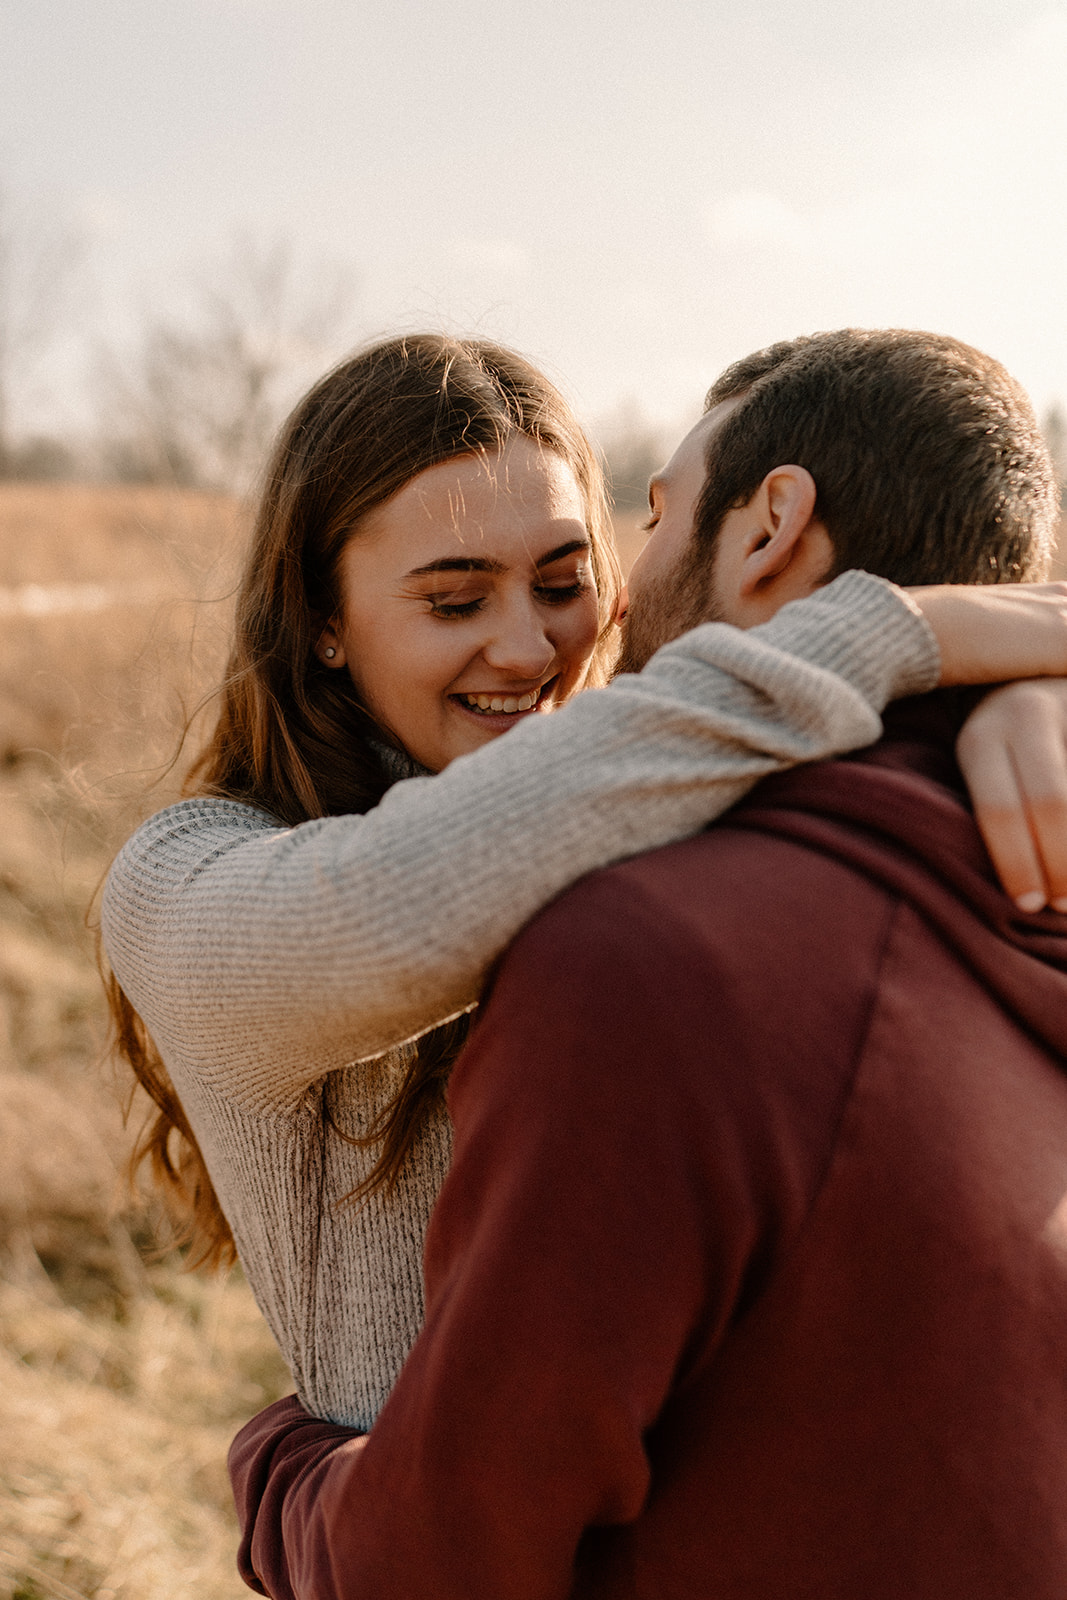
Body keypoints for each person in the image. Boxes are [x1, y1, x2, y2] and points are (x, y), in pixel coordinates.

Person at [228, 329, 1067, 1600]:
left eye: (650, 524)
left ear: (770, 525)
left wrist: (277, 1461)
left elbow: (429, 1564)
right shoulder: (1002, 869)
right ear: (321, 622)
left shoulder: (654, 957)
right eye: (454, 600)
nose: (582, 623)